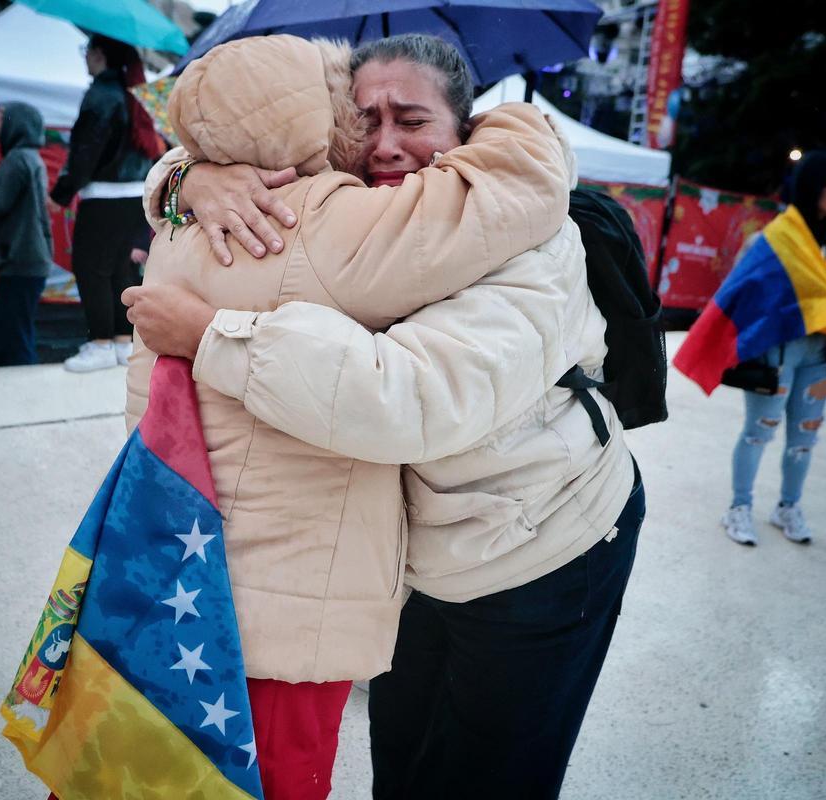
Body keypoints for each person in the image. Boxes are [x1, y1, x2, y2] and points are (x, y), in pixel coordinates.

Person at [126, 34, 642, 800]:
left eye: (413, 119)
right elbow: (218, 162)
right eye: (364, 119)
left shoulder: (528, 241)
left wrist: (210, 336)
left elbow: (410, 397)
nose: (387, 144)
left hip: (543, 546)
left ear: (465, 130)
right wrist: (192, 178)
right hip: (416, 558)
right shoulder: (360, 210)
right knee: (399, 761)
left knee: (491, 776)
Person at [701, 151, 826, 546]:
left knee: (805, 437)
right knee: (758, 432)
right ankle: (739, 507)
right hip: (778, 353)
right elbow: (740, 292)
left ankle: (788, 506)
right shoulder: (772, 239)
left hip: (819, 355)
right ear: (811, 187)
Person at [51, 34, 163, 373]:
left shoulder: (102, 94)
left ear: (99, 55)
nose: (85, 58)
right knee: (117, 268)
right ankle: (120, 341)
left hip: (105, 194)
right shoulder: (131, 92)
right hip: (133, 193)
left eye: (87, 51)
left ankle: (100, 343)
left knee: (91, 267)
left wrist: (60, 193)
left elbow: (85, 152)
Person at [0, 102, 53, 366]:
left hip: (21, 256)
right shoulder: (32, 157)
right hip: (32, 256)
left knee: (12, 338)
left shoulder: (17, 158)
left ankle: (21, 392)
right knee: (19, 330)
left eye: (0, 114)